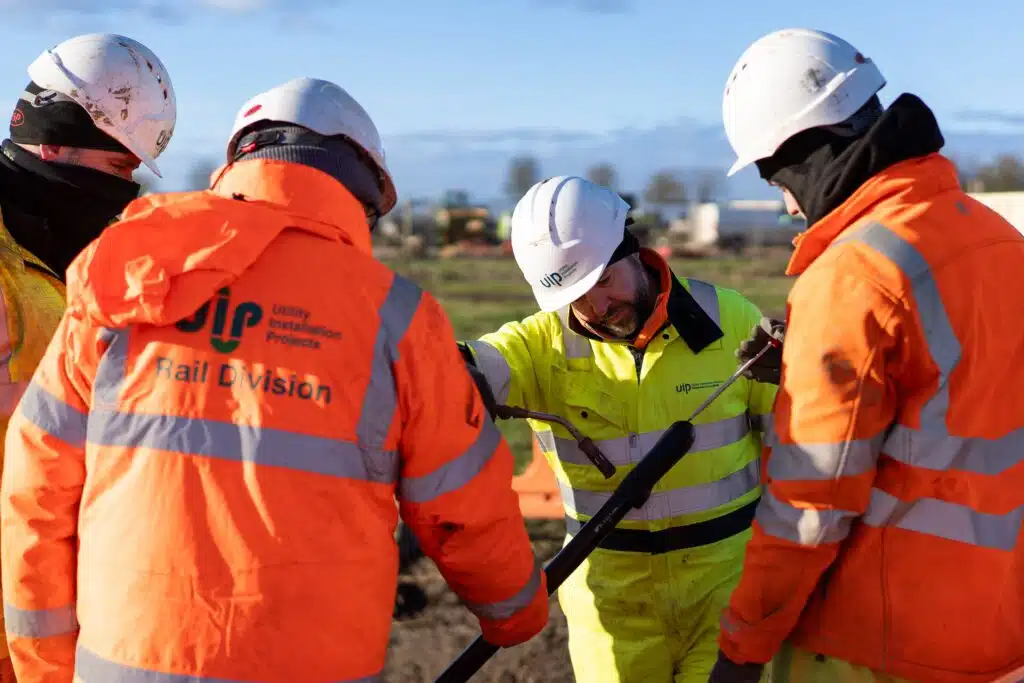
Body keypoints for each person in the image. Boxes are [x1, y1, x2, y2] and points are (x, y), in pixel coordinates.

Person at [0, 76, 549, 682]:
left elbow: (35, 489)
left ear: (238, 164)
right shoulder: (397, 317)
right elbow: (462, 504)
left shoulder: (125, 274)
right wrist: (515, 612)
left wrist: (45, 665)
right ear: (361, 187)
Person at [710, 27, 1024, 683]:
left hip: (872, 642)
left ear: (801, 153)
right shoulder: (996, 238)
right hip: (997, 630)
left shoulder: (852, 277)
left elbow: (809, 505)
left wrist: (743, 645)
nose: (788, 207)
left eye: (776, 182)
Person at [460, 175, 779, 683]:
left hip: (726, 593)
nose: (597, 309)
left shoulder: (729, 320)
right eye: (577, 296)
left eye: (603, 282)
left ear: (631, 248)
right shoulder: (540, 345)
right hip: (611, 609)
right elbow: (478, 367)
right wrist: (442, 369)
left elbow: (797, 440)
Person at [0, 32, 176, 683]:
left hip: (55, 612)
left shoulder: (92, 266)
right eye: (116, 169)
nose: (122, 195)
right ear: (54, 141)